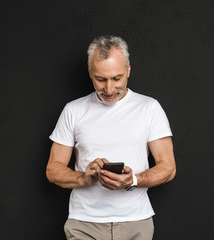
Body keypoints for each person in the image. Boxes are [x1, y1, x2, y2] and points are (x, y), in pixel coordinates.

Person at [46, 35, 176, 240]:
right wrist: (83, 178)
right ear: (90, 73)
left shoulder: (149, 108)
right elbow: (53, 169)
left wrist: (132, 180)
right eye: (101, 79)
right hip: (84, 223)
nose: (109, 89)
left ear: (128, 70)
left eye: (117, 78)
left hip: (136, 223)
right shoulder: (73, 110)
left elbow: (168, 168)